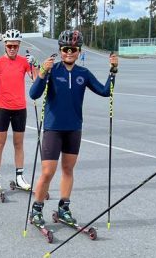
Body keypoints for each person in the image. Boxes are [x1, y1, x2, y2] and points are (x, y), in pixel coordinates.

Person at [28, 29, 117, 228]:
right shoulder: (53, 70)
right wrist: (42, 73)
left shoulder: (82, 73)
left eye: (74, 49)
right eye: (66, 48)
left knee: (68, 169)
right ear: (60, 50)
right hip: (53, 129)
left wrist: (112, 71)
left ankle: (64, 208)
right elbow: (33, 94)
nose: (69, 52)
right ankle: (36, 209)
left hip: (74, 129)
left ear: (79, 51)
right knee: (48, 171)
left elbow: (104, 91)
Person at [0, 29, 37, 193]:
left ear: (19, 45)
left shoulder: (24, 61)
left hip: (20, 109)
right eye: (9, 46)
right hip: (3, 109)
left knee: (19, 144)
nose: (12, 48)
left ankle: (20, 177)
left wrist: (34, 64)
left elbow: (36, 81)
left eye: (15, 45)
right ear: (5, 45)